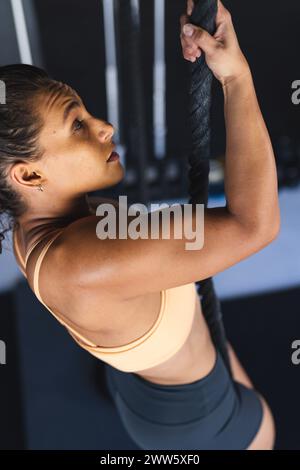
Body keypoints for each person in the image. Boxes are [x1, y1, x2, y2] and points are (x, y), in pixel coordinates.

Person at [1, 0, 279, 450]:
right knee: (266, 430)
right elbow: (254, 227)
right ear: (29, 176)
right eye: (77, 126)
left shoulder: (31, 216)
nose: (105, 127)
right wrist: (235, 77)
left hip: (145, 387)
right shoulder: (79, 262)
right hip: (199, 421)